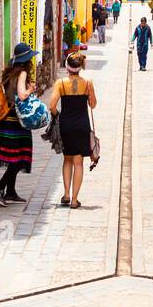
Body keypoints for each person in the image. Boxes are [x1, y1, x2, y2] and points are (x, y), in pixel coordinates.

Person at [0, 42, 39, 206]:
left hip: (7, 119)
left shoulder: (9, 72)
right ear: (26, 60)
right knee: (19, 158)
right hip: (17, 121)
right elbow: (22, 95)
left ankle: (10, 192)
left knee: (12, 157)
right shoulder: (22, 73)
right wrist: (31, 89)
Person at [48, 50, 97, 209]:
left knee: (67, 160)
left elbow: (52, 106)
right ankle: (75, 200)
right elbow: (93, 104)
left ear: (67, 67)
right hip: (82, 125)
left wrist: (58, 116)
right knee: (79, 163)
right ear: (80, 67)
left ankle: (66, 194)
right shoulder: (88, 83)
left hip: (66, 124)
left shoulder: (61, 83)